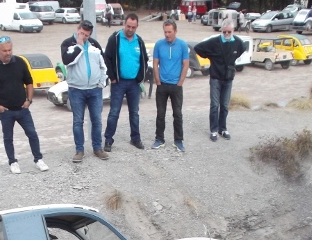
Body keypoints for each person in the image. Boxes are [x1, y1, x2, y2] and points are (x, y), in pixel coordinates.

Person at [0, 35, 49, 175]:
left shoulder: (20, 62)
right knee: (8, 138)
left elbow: (29, 82)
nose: (8, 53)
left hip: (22, 109)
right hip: (6, 111)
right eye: (4, 51)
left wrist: (29, 100)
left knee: (32, 134)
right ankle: (12, 162)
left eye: (10, 50)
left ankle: (38, 159)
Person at [61, 20, 108, 163]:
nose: (84, 37)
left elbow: (103, 64)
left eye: (86, 35)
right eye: (82, 33)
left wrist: (102, 81)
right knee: (78, 121)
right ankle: (79, 150)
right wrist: (79, 46)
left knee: (97, 120)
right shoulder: (67, 44)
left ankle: (97, 148)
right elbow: (67, 60)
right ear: (78, 29)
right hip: (76, 90)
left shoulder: (94, 45)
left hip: (94, 89)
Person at [193, 19, 245, 142]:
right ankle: (214, 130)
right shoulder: (214, 42)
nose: (226, 34)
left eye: (229, 32)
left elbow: (242, 49)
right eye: (224, 31)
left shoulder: (238, 42)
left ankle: (223, 128)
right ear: (221, 30)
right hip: (215, 78)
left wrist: (232, 60)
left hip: (228, 79)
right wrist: (209, 56)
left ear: (233, 30)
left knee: (225, 105)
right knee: (214, 105)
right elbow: (198, 48)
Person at [102, 13, 148, 153]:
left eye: (133, 27)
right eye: (128, 26)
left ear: (137, 27)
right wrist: (112, 77)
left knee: (134, 112)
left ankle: (135, 138)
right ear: (124, 24)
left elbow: (144, 60)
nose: (130, 29)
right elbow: (107, 58)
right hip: (118, 82)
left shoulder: (139, 41)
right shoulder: (115, 39)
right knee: (114, 112)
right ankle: (108, 140)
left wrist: (140, 78)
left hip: (134, 83)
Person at [151, 19, 189, 152]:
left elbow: (186, 64)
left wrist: (180, 82)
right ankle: (159, 139)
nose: (167, 35)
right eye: (165, 32)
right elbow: (155, 63)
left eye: (169, 32)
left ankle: (178, 141)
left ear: (175, 31)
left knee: (177, 114)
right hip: (162, 84)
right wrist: (158, 81)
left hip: (176, 86)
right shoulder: (159, 44)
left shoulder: (182, 45)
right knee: (160, 114)